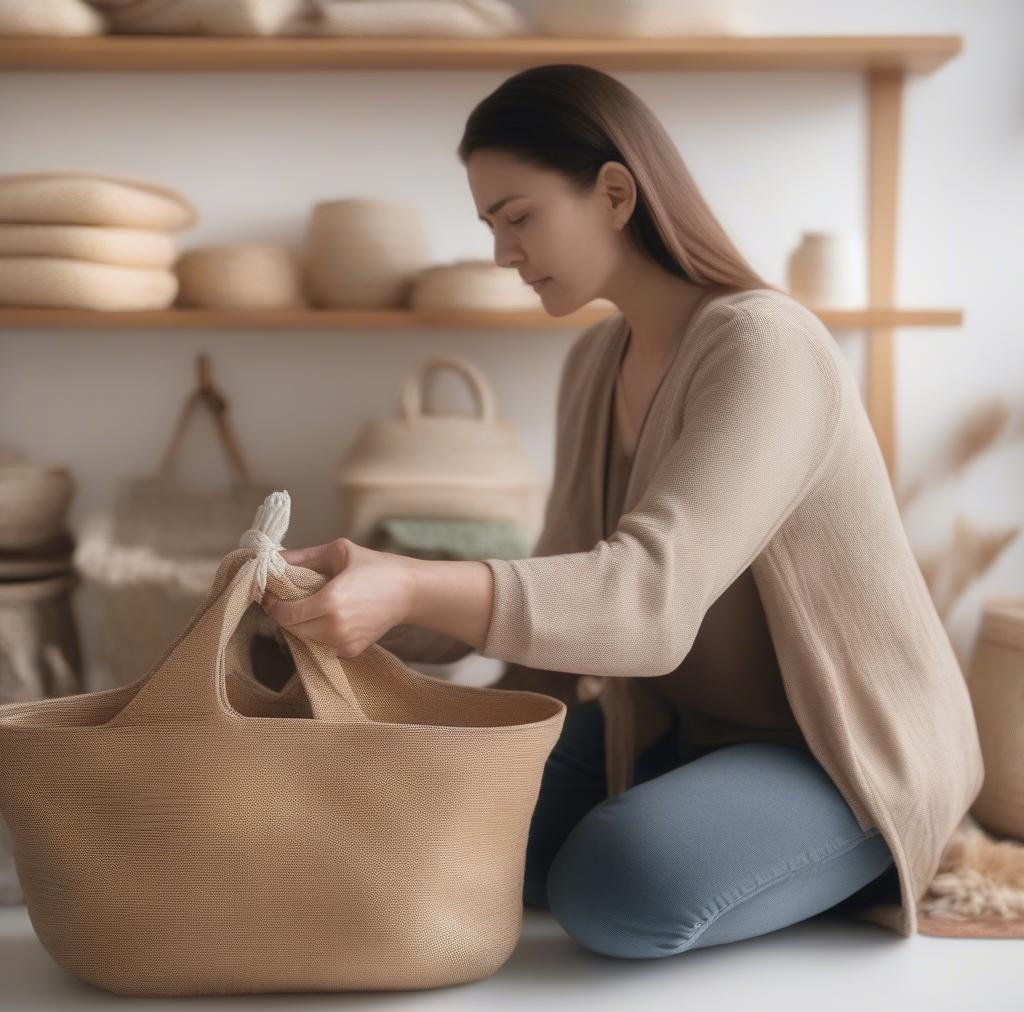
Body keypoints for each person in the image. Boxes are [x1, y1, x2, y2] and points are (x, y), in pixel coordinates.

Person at [262, 64, 984, 956]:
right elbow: (561, 610)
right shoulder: (595, 363)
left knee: (618, 885)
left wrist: (410, 586)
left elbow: (644, 605)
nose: (501, 253)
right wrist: (344, 609)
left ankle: (861, 852)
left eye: (518, 217)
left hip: (838, 750)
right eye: (490, 226)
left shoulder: (766, 348)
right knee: (414, 830)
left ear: (613, 193)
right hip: (679, 736)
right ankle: (716, 832)